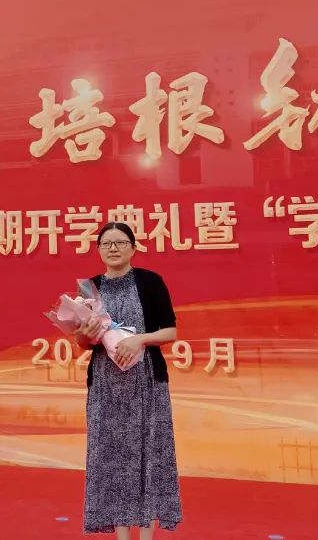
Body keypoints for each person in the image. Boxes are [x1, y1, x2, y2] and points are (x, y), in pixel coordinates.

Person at [75, 222, 182, 538]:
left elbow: (171, 331)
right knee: (113, 460)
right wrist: (86, 334)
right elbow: (83, 343)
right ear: (98, 250)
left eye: (120, 242)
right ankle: (122, 535)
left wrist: (140, 340)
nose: (113, 248)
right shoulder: (89, 289)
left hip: (146, 382)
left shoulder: (150, 282)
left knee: (149, 455)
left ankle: (146, 535)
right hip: (107, 387)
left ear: (133, 248)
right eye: (106, 243)